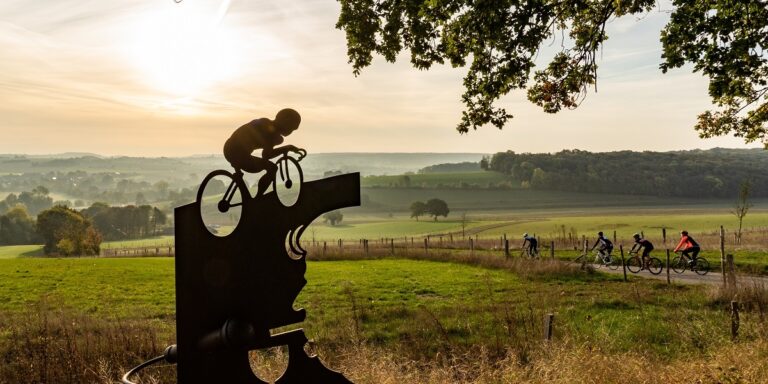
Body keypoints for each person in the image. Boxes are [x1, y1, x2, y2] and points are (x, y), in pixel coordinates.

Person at [223, 108, 307, 195]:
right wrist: (286, 148)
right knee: (272, 168)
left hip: (233, 150)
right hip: (235, 152)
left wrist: (286, 148)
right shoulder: (267, 127)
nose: (290, 132)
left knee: (269, 167)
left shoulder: (271, 130)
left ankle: (257, 199)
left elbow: (266, 154)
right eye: (291, 128)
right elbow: (267, 155)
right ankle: (259, 198)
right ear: (285, 122)